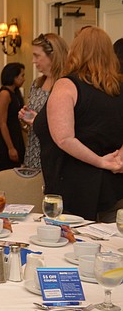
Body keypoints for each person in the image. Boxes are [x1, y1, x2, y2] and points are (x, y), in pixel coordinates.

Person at [36, 26, 123, 221]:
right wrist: (118, 160)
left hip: (72, 183)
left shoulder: (67, 85)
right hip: (114, 183)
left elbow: (65, 139)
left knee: (70, 245)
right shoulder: (119, 87)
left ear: (76, 51)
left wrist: (102, 162)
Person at [18, 33, 69, 170]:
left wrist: (38, 121)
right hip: (33, 151)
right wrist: (25, 118)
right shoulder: (37, 84)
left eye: (37, 56)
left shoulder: (66, 85)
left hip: (54, 155)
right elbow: (31, 125)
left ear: (52, 56)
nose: (33, 61)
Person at [0, 62, 26, 173]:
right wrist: (11, 148)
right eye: (22, 75)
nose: (24, 79)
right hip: (4, 141)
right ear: (13, 76)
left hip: (15, 136)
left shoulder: (16, 93)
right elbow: (2, 123)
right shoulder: (4, 94)